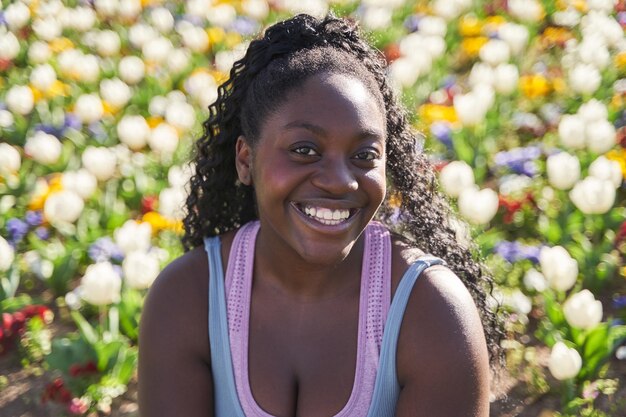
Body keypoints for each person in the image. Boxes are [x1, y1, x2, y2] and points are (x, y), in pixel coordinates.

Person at [138, 13, 503, 417]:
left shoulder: (430, 311)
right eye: (304, 150)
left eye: (364, 156)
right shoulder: (188, 298)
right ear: (245, 160)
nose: (340, 182)